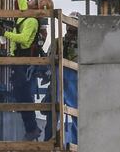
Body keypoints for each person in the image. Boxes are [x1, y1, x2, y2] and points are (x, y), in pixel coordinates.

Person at [0, 0, 54, 140]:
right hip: (18, 60)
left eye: (34, 0)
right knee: (20, 95)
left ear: (37, 8)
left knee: (24, 95)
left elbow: (24, 40)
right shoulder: (24, 13)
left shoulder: (31, 22)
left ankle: (32, 129)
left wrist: (5, 33)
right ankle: (31, 129)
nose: (30, 0)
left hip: (24, 61)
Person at [42, 12, 79, 143]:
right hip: (58, 81)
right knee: (52, 112)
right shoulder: (58, 42)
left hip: (74, 82)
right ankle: (49, 141)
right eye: (69, 25)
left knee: (76, 113)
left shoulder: (83, 44)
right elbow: (49, 59)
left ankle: (76, 143)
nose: (70, 29)